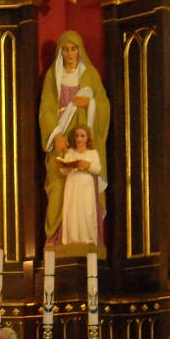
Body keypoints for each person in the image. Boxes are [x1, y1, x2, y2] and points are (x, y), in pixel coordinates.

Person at [39, 30, 109, 251]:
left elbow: (104, 105)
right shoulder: (53, 76)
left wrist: (90, 104)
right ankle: (57, 238)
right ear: (60, 53)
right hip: (61, 141)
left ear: (80, 51)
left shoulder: (89, 75)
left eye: (73, 49)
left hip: (83, 141)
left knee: (84, 189)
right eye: (65, 50)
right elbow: (46, 109)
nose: (69, 54)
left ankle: (86, 238)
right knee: (58, 189)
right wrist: (56, 134)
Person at [56, 125, 103, 247]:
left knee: (86, 211)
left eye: (82, 136)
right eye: (77, 136)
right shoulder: (70, 153)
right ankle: (72, 239)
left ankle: (88, 239)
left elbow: (97, 169)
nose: (79, 139)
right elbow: (65, 171)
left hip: (86, 186)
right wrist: (62, 166)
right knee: (72, 211)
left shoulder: (92, 153)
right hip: (72, 184)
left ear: (87, 138)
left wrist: (88, 165)